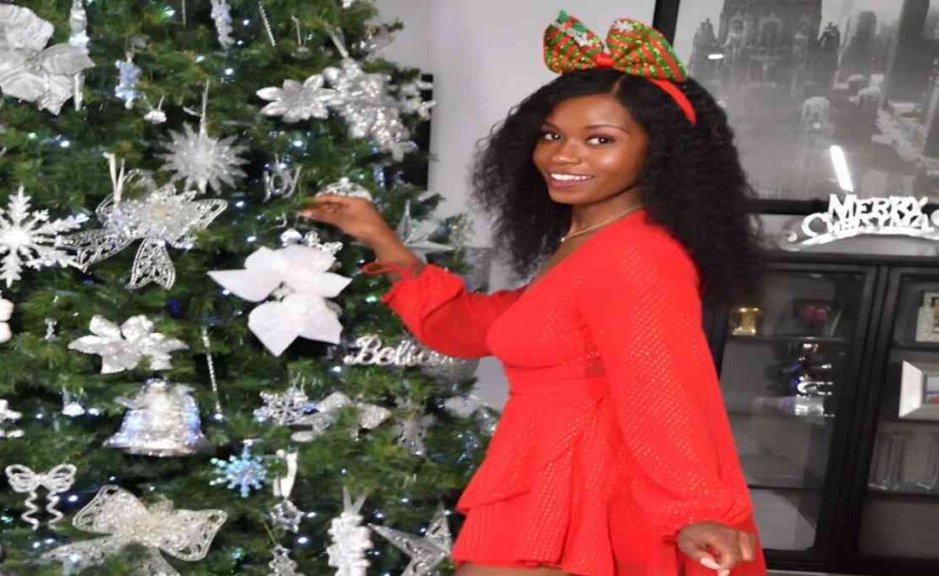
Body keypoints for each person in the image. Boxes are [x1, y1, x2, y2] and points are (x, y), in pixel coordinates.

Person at [298, 11, 766, 576]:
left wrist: (696, 507)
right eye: (552, 135)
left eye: (600, 140)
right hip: (546, 469)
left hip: (586, 486)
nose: (564, 156)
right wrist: (383, 242)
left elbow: (662, 386)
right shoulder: (591, 244)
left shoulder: (637, 256)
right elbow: (478, 327)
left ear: (658, 152)